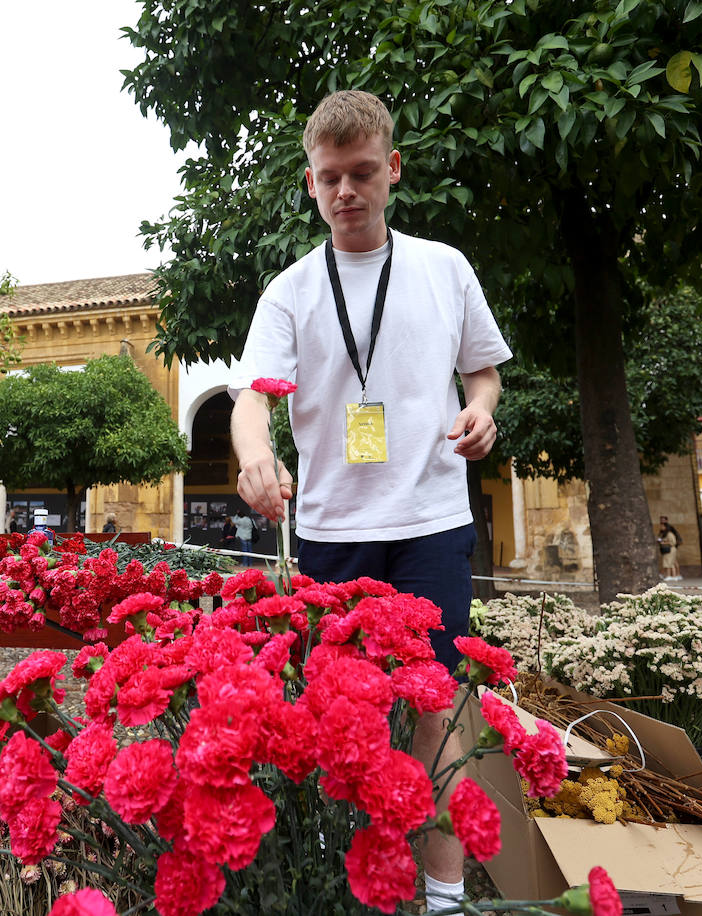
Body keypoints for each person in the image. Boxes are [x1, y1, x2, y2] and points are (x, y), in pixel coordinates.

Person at [229, 90, 511, 912]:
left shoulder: (445, 267)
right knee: (333, 714)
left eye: (361, 173)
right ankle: (338, 879)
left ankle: (444, 895)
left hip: (430, 522)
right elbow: (252, 397)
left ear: (391, 169)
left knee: (436, 708)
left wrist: (481, 414)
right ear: (309, 185)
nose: (346, 191)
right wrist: (255, 459)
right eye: (329, 178)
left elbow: (483, 372)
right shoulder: (289, 291)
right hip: (331, 531)